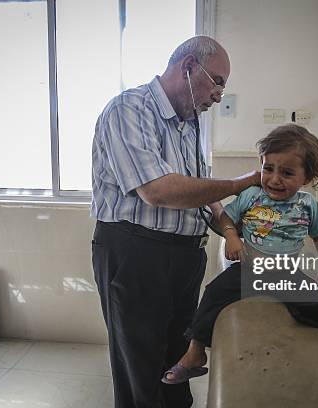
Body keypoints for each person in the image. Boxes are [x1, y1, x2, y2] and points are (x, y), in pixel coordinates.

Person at [90, 36, 260, 408]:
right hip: (136, 253)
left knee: (177, 358)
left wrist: (234, 229)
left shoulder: (190, 125)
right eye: (217, 81)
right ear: (187, 67)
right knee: (141, 365)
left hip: (183, 257)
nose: (218, 95)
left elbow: (201, 192)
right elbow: (158, 191)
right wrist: (242, 182)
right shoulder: (129, 109)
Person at [162, 124, 318, 384]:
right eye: (268, 169)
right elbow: (225, 218)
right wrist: (232, 237)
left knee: (309, 292)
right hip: (247, 269)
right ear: (261, 165)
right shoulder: (251, 195)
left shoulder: (307, 204)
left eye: (287, 172)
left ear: (307, 177)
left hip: (283, 271)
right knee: (212, 293)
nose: (275, 179)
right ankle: (195, 353)